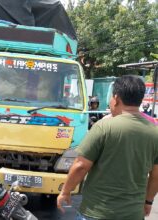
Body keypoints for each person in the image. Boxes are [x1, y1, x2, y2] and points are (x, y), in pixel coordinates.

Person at [57, 75, 158, 219]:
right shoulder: (155, 132)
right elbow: (156, 175)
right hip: (133, 214)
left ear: (116, 98)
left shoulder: (104, 127)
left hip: (97, 212)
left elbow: (80, 165)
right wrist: (148, 201)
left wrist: (65, 191)